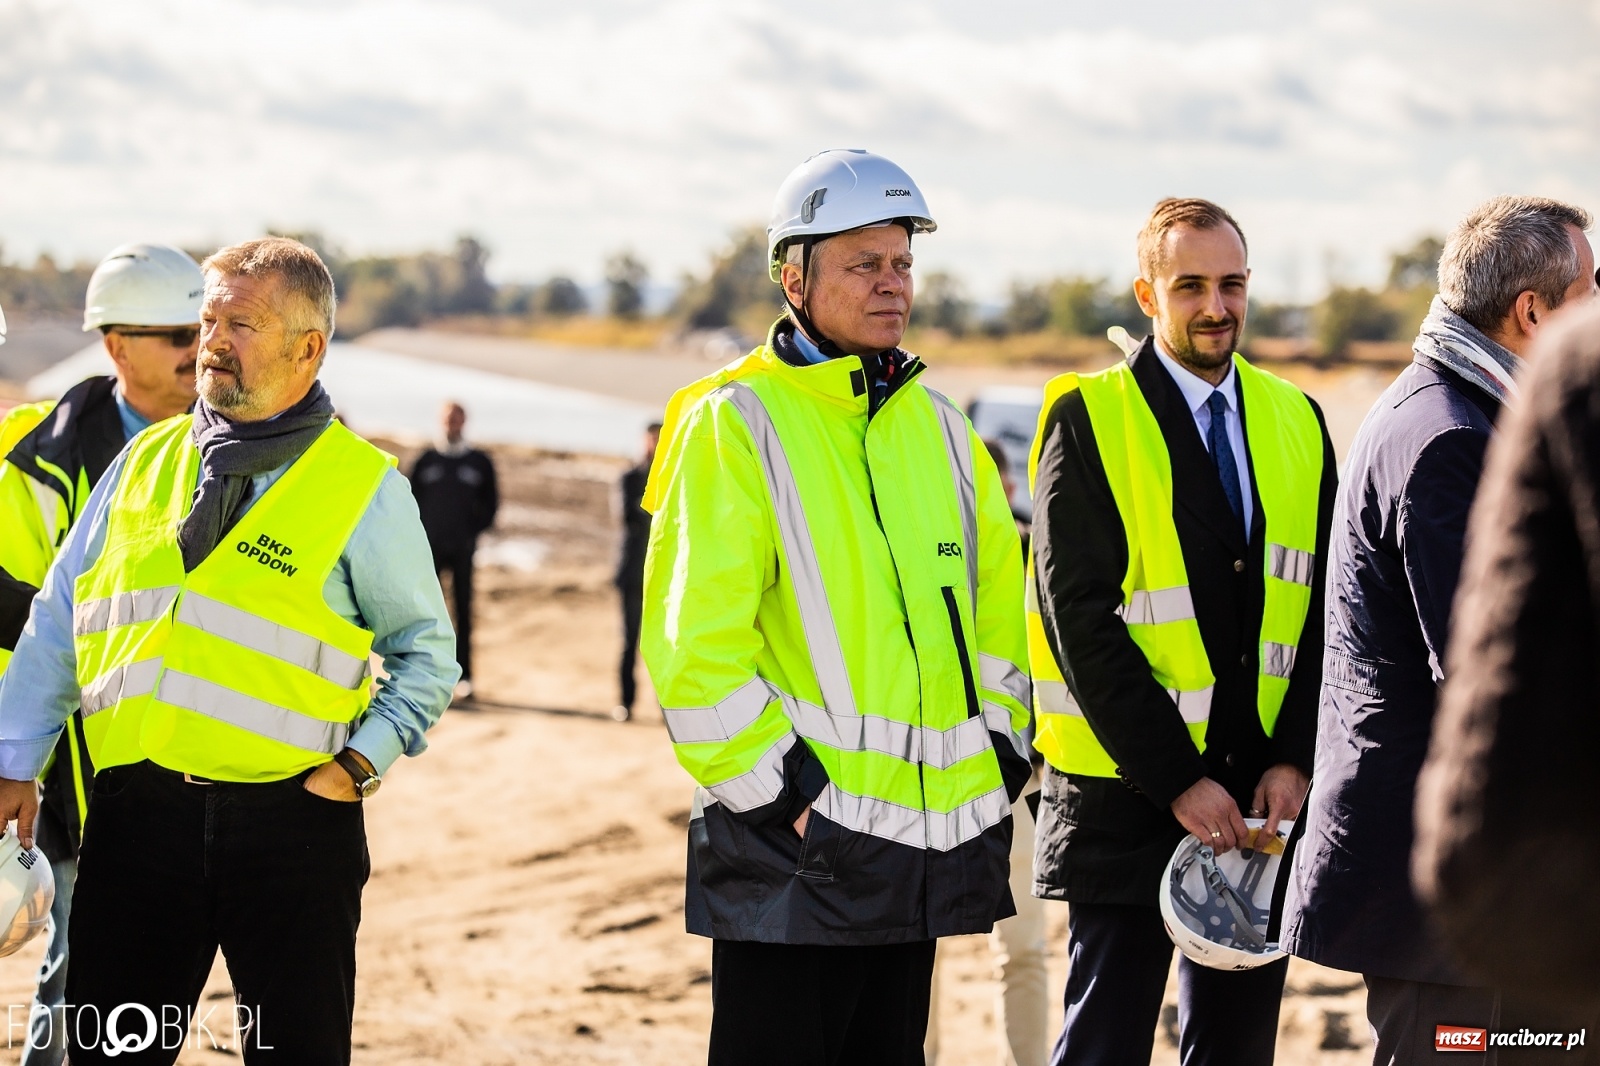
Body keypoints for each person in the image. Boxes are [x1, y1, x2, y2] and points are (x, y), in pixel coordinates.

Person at [0, 236, 459, 1066]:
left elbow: (427, 657)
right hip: (135, 828)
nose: (212, 338)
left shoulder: (363, 489)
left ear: (308, 348)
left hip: (295, 829)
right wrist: (15, 758)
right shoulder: (143, 461)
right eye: (206, 317)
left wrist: (357, 767)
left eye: (239, 322)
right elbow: (61, 617)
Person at [641, 149, 1032, 1066]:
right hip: (795, 857)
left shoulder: (943, 430)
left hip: (924, 848)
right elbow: (693, 651)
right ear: (794, 277)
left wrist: (1002, 752)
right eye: (864, 264)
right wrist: (788, 801)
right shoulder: (734, 422)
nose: (892, 284)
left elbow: (1001, 621)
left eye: (902, 262)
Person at [1283, 196, 1596, 1064]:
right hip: (1440, 901)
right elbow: (1490, 664)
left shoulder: (1456, 410)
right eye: (1592, 286)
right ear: (1532, 311)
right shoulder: (1446, 438)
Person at [1027, 198, 1336, 1066]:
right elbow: (1076, 619)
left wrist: (1294, 758)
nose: (1216, 306)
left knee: (1237, 1051)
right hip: (1130, 800)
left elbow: (1320, 611)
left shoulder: (1298, 420)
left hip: (1258, 806)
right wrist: (1175, 779)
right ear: (1146, 295)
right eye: (1190, 285)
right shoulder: (1089, 418)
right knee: (1104, 1045)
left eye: (1231, 284)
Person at [0, 242, 204, 1066]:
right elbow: (13, 611)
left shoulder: (235, 447)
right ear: (116, 346)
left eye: (206, 326)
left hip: (196, 772)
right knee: (78, 971)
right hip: (65, 775)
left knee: (153, 985)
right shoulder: (32, 454)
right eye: (175, 333)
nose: (201, 347)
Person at [927, 437, 1047, 1066]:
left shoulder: (1040, 556)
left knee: (1024, 947)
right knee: (921, 947)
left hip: (1020, 788)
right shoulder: (926, 563)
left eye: (999, 489)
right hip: (930, 789)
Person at [409, 401, 497, 702]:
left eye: (457, 418)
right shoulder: (426, 459)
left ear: (465, 421)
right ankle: (426, 677)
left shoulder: (479, 462)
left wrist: (472, 532)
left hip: (463, 550)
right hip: (429, 550)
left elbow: (491, 504)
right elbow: (408, 502)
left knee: (463, 613)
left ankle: (465, 678)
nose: (452, 424)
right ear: (440, 421)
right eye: (448, 419)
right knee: (427, 614)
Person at [612, 421, 661, 722]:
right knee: (629, 641)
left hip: (665, 576)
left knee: (663, 644)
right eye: (652, 438)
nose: (655, 443)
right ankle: (626, 703)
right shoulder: (629, 476)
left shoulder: (674, 476)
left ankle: (665, 708)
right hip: (632, 571)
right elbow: (625, 514)